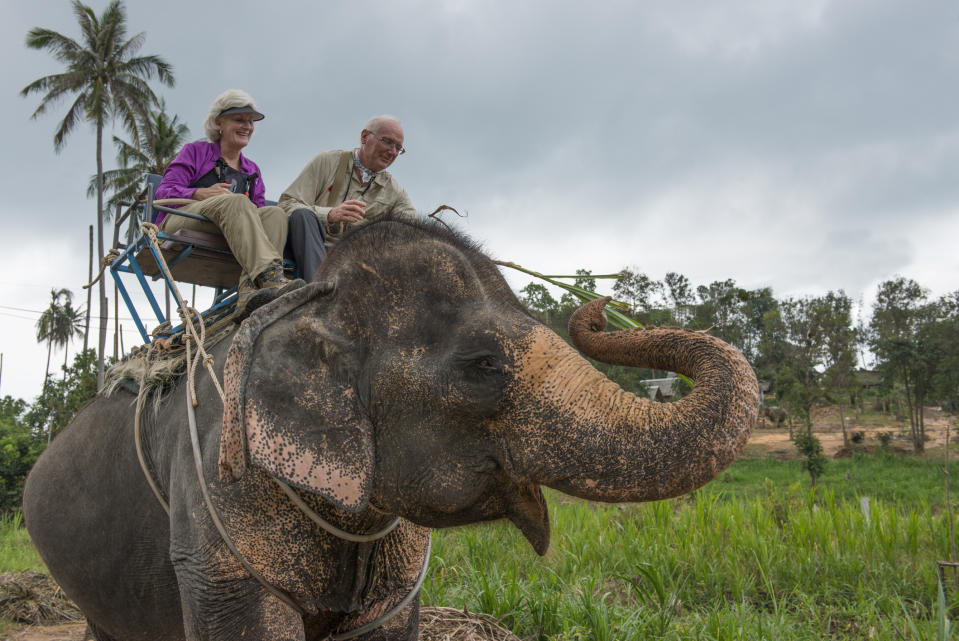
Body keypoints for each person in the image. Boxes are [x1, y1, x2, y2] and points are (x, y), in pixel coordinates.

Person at [155, 89, 302, 315]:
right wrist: (198, 193)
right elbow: (163, 192)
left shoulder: (252, 170)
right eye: (239, 120)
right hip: (183, 220)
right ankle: (270, 276)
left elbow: (259, 213)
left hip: (229, 228)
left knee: (275, 214)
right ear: (219, 123)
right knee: (235, 202)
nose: (247, 126)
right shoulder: (195, 152)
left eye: (251, 122)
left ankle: (249, 289)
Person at [279, 116, 418, 281]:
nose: (392, 152)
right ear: (364, 137)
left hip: (354, 260)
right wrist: (329, 214)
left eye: (398, 148)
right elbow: (286, 204)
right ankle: (317, 290)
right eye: (387, 142)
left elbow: (414, 231)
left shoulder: (396, 193)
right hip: (311, 248)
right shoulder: (328, 162)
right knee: (302, 215)